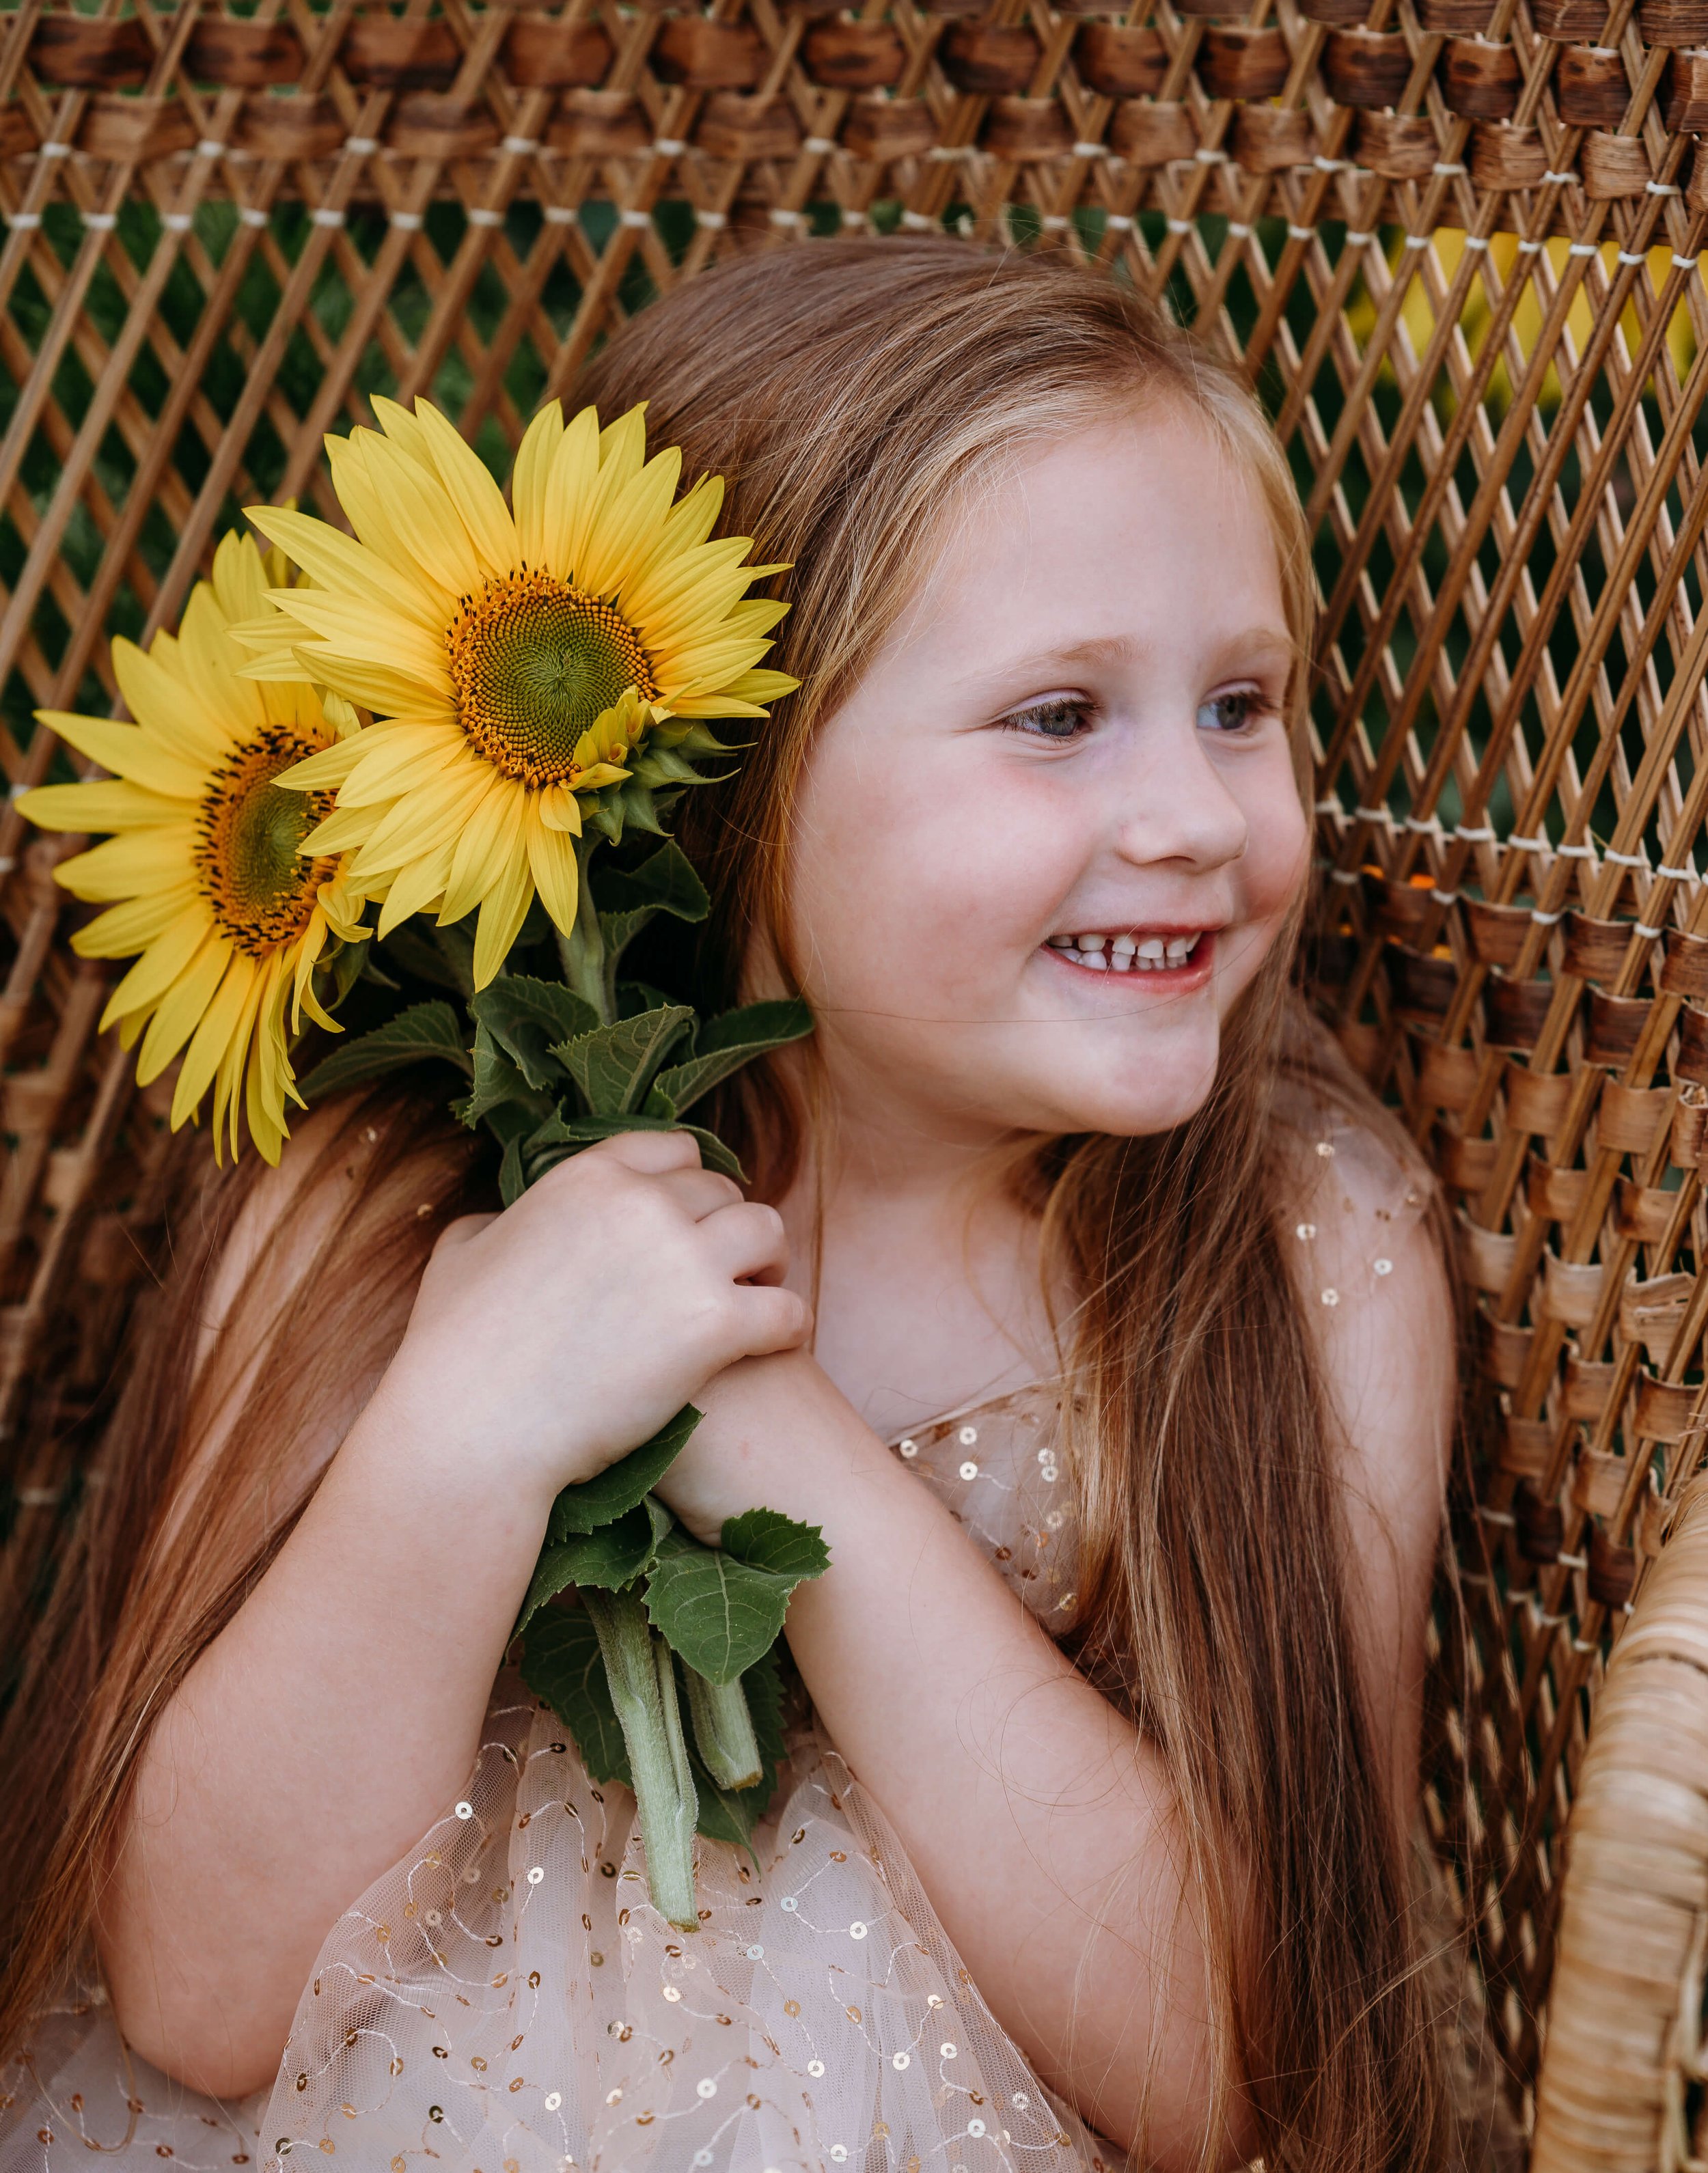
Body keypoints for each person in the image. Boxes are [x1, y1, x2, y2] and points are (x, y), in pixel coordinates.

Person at [0, 236, 1489, 2173]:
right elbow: (203, 1998)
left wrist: (764, 1432)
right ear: (732, 770)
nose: (1200, 817)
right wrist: (471, 1424)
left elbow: (1246, 2075)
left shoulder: (1298, 1249)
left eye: (1239, 703)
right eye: (1057, 717)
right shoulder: (394, 1191)